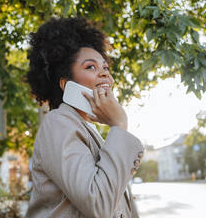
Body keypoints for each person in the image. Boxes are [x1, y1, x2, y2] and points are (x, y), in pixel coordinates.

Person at [25, 17, 144, 218]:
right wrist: (119, 124)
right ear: (65, 84)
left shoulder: (89, 131)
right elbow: (98, 204)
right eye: (91, 67)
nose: (105, 74)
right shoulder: (58, 123)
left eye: (105, 68)